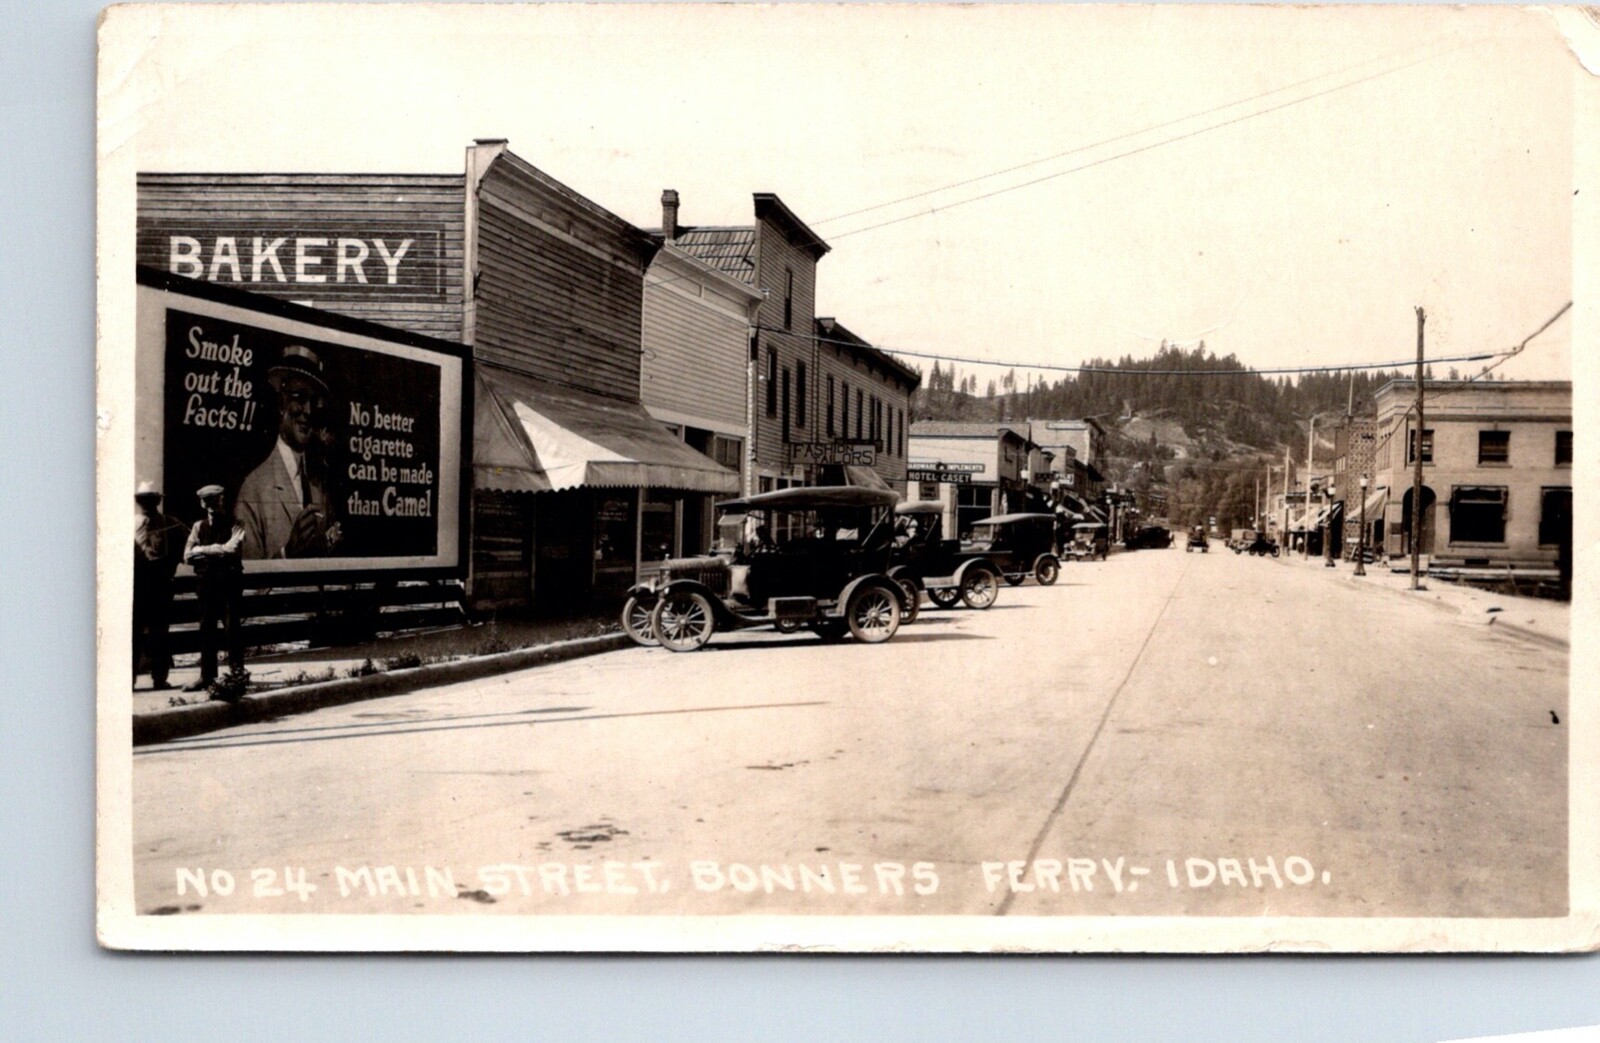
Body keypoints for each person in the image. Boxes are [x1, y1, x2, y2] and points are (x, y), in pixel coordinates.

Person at [237, 344, 342, 559]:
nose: (309, 412)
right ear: (281, 403)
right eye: (300, 398)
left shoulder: (317, 483)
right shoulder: (253, 489)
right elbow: (247, 586)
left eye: (314, 402)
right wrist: (287, 553)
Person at [183, 484, 248, 698]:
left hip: (228, 584)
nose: (211, 505)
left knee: (232, 628)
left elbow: (232, 549)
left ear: (222, 501)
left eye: (215, 500)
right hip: (206, 585)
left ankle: (237, 674)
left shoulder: (236, 524)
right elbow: (187, 556)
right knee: (206, 629)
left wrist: (201, 549)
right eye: (207, 501)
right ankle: (207, 676)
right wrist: (216, 550)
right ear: (203, 504)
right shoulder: (197, 526)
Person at [133, 480, 187, 690]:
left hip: (160, 586)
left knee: (160, 634)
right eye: (142, 500)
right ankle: (129, 680)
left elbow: (189, 544)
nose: (146, 504)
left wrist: (172, 564)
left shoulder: (170, 523)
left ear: (157, 501)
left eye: (151, 500)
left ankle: (159, 678)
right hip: (136, 587)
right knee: (133, 633)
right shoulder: (126, 523)